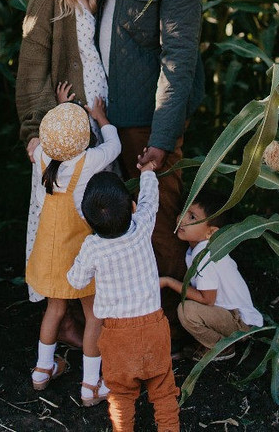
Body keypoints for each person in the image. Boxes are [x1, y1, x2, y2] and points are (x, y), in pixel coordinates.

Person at [96, 0, 205, 327]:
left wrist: (161, 140)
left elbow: (178, 59)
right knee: (115, 221)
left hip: (146, 118)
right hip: (108, 112)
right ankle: (131, 318)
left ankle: (173, 329)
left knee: (159, 221)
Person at [16, 0, 114, 346]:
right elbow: (31, 69)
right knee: (61, 219)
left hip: (91, 123)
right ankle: (67, 317)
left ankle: (88, 308)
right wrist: (35, 132)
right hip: (64, 132)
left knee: (89, 217)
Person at [67, 166, 180, 432]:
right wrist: (148, 173)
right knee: (163, 392)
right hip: (154, 327)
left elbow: (76, 281)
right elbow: (150, 200)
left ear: (88, 222)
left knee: (120, 395)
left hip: (117, 336)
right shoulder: (141, 227)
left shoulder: (92, 247)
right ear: (131, 207)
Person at [26, 100, 121, 406]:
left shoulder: (41, 154)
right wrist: (101, 117)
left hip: (51, 250)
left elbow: (46, 140)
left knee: (54, 309)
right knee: (93, 314)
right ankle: (91, 385)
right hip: (79, 252)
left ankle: (42, 369)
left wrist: (60, 106)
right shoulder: (88, 160)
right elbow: (115, 146)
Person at [160, 184, 263, 361]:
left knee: (187, 311)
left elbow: (207, 299)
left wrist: (169, 282)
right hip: (227, 315)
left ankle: (221, 347)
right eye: (184, 211)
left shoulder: (205, 255)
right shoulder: (198, 249)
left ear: (211, 232)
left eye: (192, 217)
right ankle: (212, 341)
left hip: (239, 321)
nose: (181, 219)